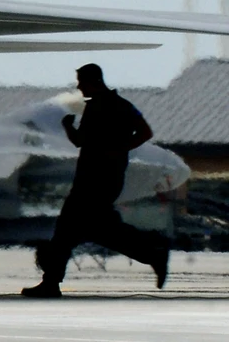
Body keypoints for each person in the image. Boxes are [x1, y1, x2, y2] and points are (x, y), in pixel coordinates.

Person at [21, 64, 170, 298]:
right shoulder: (116, 106)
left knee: (73, 230)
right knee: (94, 230)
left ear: (93, 81)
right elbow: (140, 133)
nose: (78, 86)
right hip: (100, 179)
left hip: (95, 181)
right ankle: (153, 253)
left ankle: (154, 252)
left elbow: (138, 134)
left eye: (81, 81)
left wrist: (115, 148)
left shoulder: (106, 107)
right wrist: (119, 148)